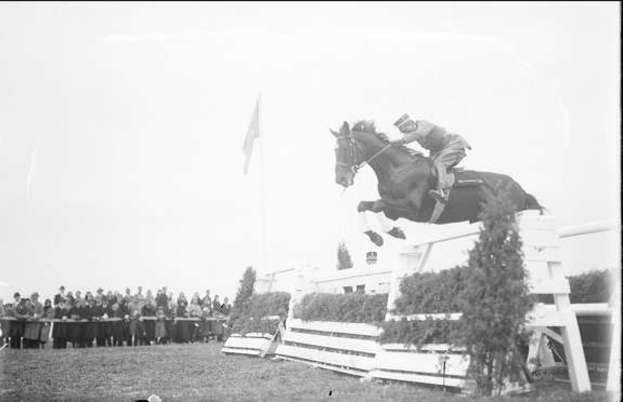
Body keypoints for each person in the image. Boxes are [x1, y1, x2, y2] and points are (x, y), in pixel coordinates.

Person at [393, 114, 471, 204]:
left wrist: (401, 141)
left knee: (440, 163)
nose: (405, 132)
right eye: (403, 131)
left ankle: (442, 191)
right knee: (428, 168)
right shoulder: (415, 136)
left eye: (405, 129)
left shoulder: (424, 125)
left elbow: (419, 133)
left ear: (410, 124)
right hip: (439, 151)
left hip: (453, 144)